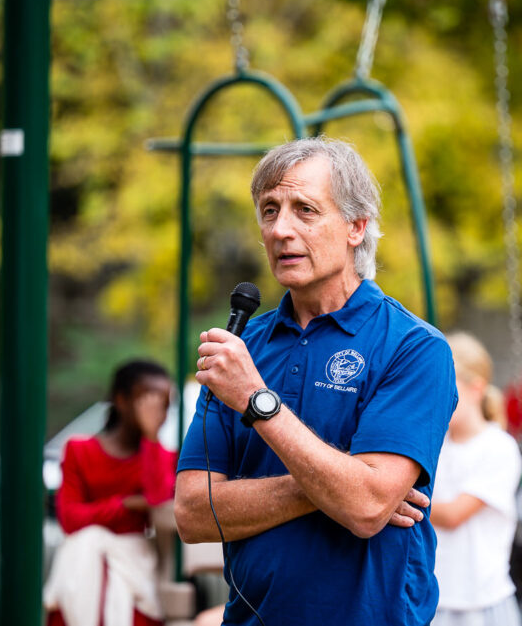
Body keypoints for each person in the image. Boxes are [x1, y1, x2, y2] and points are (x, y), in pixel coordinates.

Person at [175, 136, 458, 626]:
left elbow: (367, 509)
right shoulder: (240, 350)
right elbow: (194, 514)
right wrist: (333, 487)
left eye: (305, 210)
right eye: (269, 210)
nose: (280, 229)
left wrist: (257, 400)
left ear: (356, 226)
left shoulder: (414, 347)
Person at [44, 359, 178, 626]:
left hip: (134, 564)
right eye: (147, 401)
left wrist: (151, 437)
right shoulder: (79, 450)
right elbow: (70, 518)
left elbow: (157, 500)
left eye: (163, 403)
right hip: (82, 558)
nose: (156, 411)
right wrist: (126, 505)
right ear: (121, 400)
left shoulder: (164, 456)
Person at [430, 333, 522, 626]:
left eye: (446, 387)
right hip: (433, 595)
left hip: (479, 603)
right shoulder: (435, 444)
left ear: (475, 388)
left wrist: (389, 497)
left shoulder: (498, 447)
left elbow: (455, 514)